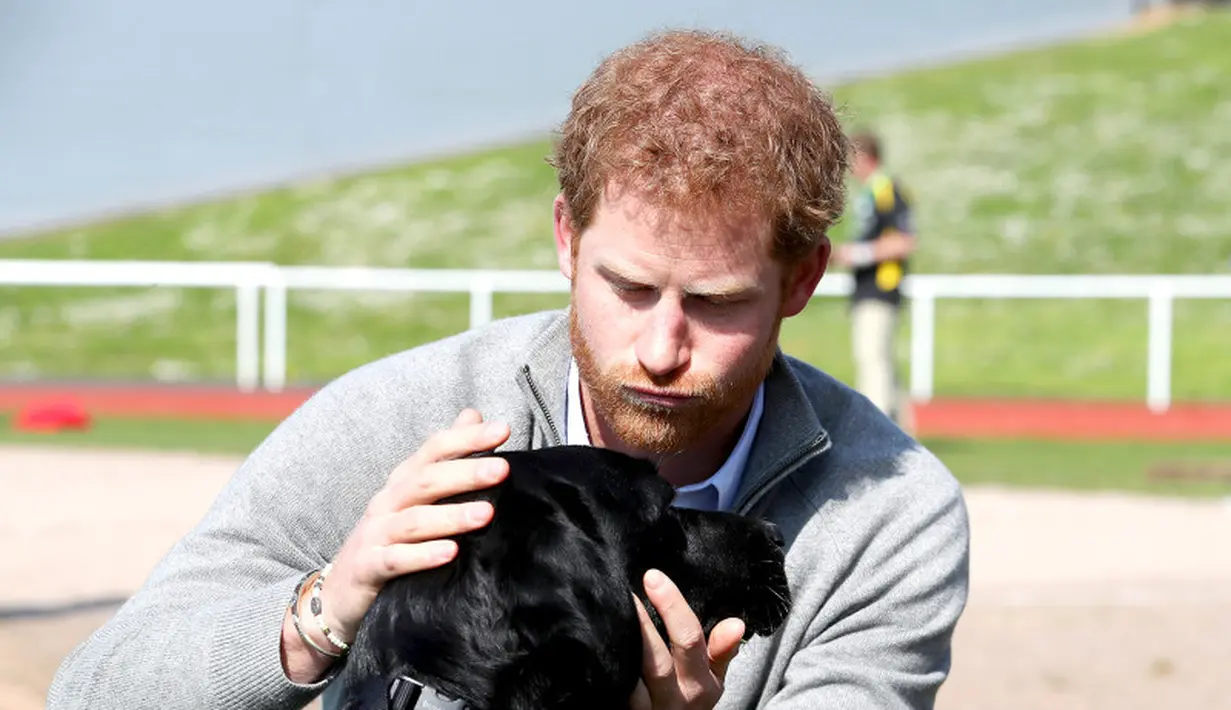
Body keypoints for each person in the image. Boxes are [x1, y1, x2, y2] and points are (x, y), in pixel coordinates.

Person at [48, 29, 969, 710]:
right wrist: (322, 612)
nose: (660, 347)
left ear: (803, 278)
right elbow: (92, 692)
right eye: (630, 286)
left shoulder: (886, 518)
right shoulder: (397, 428)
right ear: (567, 239)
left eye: (716, 302)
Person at [832, 130, 919, 431]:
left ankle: (875, 433)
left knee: (873, 361)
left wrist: (857, 254)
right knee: (883, 364)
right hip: (868, 289)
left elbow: (905, 241)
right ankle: (903, 435)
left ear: (867, 157)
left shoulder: (889, 190)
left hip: (881, 289)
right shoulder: (871, 193)